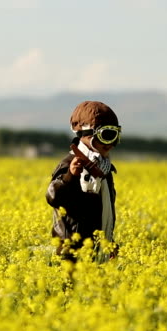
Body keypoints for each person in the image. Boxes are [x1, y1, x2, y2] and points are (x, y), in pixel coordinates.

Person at [45, 101, 122, 262]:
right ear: (85, 134)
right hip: (71, 252)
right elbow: (53, 197)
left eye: (114, 136)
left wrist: (109, 241)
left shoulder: (105, 169)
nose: (109, 143)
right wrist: (70, 176)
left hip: (97, 250)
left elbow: (104, 210)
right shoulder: (70, 164)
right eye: (106, 135)